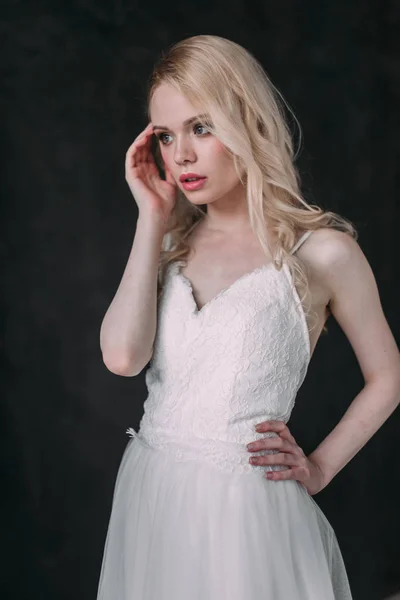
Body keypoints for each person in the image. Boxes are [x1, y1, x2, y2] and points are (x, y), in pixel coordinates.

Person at [96, 35, 400, 599]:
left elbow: (389, 377)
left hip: (247, 511)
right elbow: (121, 357)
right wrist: (151, 218)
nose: (180, 154)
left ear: (248, 123)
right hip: (153, 493)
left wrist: (322, 467)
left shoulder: (322, 252)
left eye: (201, 128)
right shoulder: (171, 248)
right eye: (165, 135)